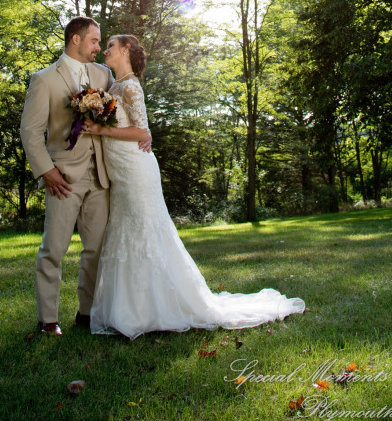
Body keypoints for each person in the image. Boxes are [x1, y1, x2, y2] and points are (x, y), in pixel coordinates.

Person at [82, 33, 305, 339]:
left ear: (126, 50)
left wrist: (100, 130)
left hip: (137, 169)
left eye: (110, 46)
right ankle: (134, 307)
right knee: (126, 230)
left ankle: (155, 308)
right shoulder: (114, 86)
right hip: (120, 171)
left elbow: (141, 132)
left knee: (145, 229)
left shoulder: (131, 86)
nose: (105, 51)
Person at [20, 17, 151, 335]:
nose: (98, 47)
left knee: (96, 249)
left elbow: (118, 116)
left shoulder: (104, 75)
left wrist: (141, 134)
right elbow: (30, 131)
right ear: (76, 40)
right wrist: (47, 171)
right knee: (54, 249)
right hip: (63, 178)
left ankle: (86, 314)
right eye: (94, 41)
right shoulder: (45, 79)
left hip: (103, 177)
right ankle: (48, 321)